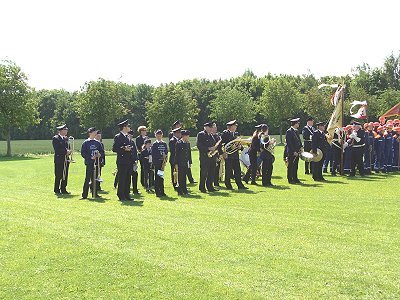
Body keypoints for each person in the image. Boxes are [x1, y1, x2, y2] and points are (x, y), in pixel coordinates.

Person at [221, 120, 248, 190]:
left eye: (235, 126)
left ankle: (240, 185)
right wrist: (223, 153)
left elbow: (238, 144)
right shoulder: (225, 133)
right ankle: (228, 185)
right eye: (234, 126)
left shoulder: (236, 134)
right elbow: (221, 144)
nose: (235, 127)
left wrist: (240, 147)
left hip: (235, 155)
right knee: (228, 171)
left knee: (238, 171)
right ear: (231, 127)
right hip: (228, 155)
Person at [112, 120, 134, 201]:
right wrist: (124, 148)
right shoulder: (118, 136)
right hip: (122, 161)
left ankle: (126, 194)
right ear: (124, 127)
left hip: (128, 160)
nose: (129, 128)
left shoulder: (128, 136)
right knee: (122, 178)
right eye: (128, 126)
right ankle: (121, 194)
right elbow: (114, 148)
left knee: (128, 178)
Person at [80, 127, 104, 199]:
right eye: (94, 132)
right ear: (90, 133)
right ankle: (84, 195)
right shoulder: (85, 143)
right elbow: (83, 153)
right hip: (89, 163)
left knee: (95, 179)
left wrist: (99, 155)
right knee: (87, 179)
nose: (95, 134)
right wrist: (90, 157)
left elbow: (102, 152)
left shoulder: (98, 143)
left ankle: (95, 193)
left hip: (96, 163)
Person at [196, 122, 217, 193]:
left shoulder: (211, 135)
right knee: (204, 173)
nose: (212, 129)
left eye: (212, 127)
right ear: (206, 127)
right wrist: (209, 148)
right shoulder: (201, 134)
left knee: (211, 173)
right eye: (210, 127)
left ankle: (210, 186)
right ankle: (202, 187)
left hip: (212, 157)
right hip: (204, 157)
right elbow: (199, 146)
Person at [52, 124, 71, 194]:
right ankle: (56, 189)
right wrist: (66, 151)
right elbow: (57, 149)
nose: (66, 131)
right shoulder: (56, 138)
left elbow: (68, 147)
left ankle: (63, 188)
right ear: (61, 130)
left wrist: (69, 151)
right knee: (58, 174)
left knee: (65, 175)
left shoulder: (66, 138)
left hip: (66, 159)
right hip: (59, 159)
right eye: (65, 130)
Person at [285, 118, 303, 184]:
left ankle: (295, 178)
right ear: (295, 123)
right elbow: (289, 143)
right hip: (292, 152)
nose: (299, 124)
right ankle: (290, 179)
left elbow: (298, 140)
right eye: (298, 123)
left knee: (296, 166)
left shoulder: (296, 131)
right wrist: (293, 151)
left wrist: (301, 147)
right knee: (291, 166)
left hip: (297, 151)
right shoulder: (289, 131)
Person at [152, 129, 168, 197]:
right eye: (158, 135)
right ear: (156, 136)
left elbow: (166, 151)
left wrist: (165, 157)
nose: (159, 137)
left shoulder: (164, 143)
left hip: (162, 163)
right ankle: (157, 192)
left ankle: (162, 191)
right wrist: (161, 156)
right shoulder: (155, 144)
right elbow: (154, 154)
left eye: (160, 135)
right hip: (157, 162)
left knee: (161, 177)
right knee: (157, 177)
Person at [174, 130, 191, 195]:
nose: (188, 137)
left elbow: (189, 153)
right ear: (183, 136)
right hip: (180, 163)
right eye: (187, 135)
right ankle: (180, 190)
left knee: (184, 176)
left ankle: (184, 189)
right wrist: (176, 163)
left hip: (186, 162)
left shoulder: (187, 143)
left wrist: (190, 162)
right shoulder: (179, 143)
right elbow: (176, 154)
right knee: (180, 177)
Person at [128, 130, 140, 194]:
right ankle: (127, 190)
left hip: (133, 162)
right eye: (129, 135)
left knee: (135, 175)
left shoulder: (132, 142)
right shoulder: (126, 142)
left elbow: (135, 152)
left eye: (131, 135)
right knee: (128, 177)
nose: (131, 136)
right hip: (127, 162)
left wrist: (136, 160)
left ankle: (135, 190)